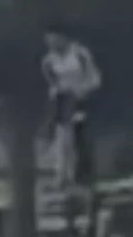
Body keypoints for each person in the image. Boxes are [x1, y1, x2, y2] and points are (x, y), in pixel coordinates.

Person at [41, 29, 102, 189]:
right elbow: (51, 80)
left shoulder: (80, 54)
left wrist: (82, 91)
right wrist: (56, 92)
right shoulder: (49, 60)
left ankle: (82, 176)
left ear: (64, 38)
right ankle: (61, 177)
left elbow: (95, 78)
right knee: (62, 138)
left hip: (82, 98)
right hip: (63, 101)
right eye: (49, 41)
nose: (52, 44)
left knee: (81, 138)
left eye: (55, 40)